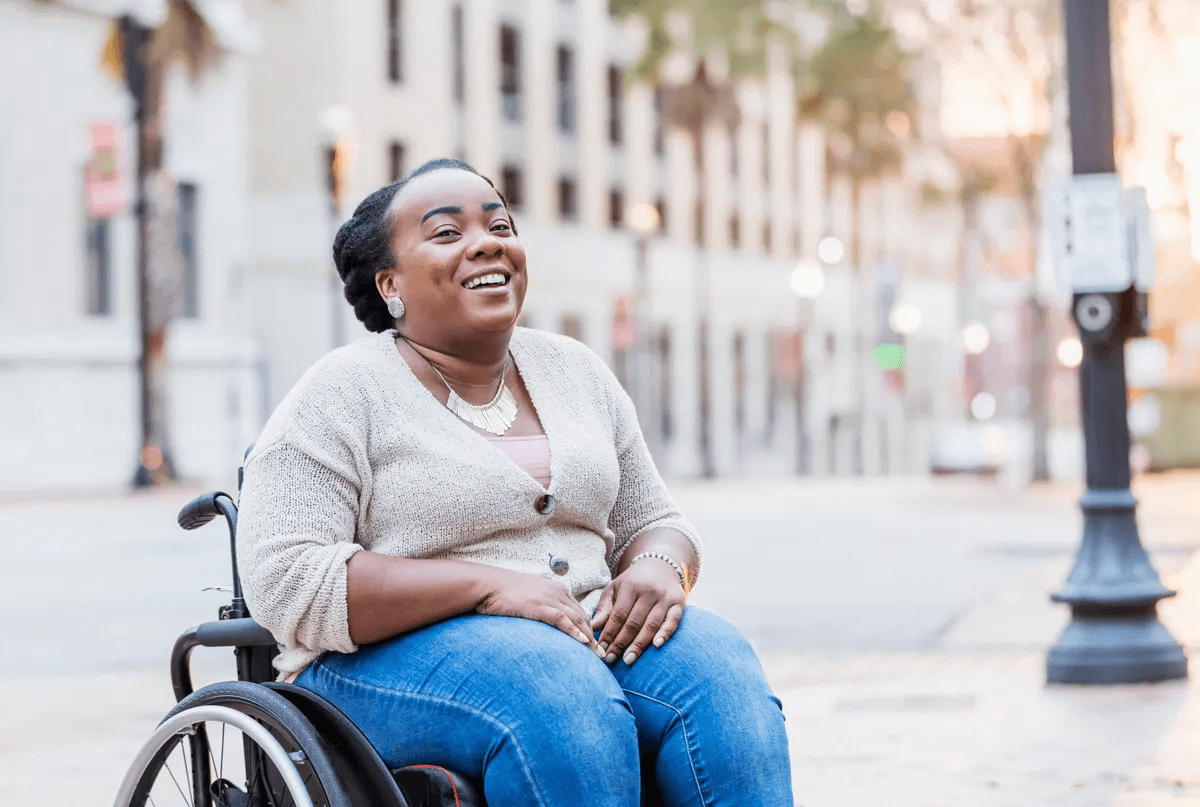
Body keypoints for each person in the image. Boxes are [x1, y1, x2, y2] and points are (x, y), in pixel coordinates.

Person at [236, 158, 793, 806]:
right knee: (556, 696)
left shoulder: (575, 370)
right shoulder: (341, 392)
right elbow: (287, 577)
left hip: (580, 630)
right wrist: (489, 586)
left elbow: (654, 520)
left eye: (500, 224)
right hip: (378, 664)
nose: (487, 241)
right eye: (446, 233)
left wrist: (660, 567)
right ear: (392, 283)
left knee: (719, 672)